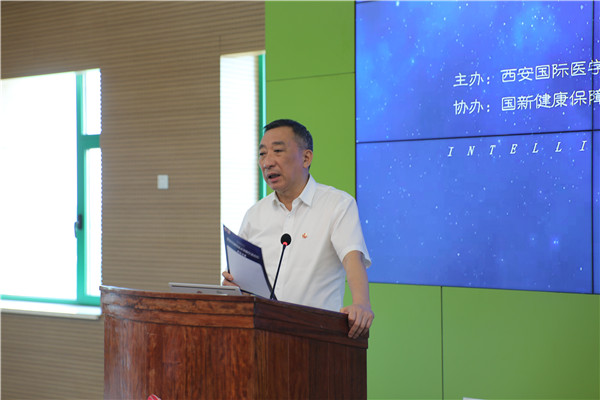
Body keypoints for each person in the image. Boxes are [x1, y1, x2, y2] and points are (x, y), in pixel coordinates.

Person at [222, 119, 373, 339]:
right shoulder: (255, 214)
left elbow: (353, 258)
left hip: (316, 336)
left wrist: (361, 303)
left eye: (277, 151)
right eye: (262, 154)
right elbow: (240, 277)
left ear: (306, 158)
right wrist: (233, 286)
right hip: (261, 335)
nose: (267, 162)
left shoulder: (337, 204)